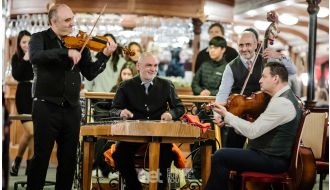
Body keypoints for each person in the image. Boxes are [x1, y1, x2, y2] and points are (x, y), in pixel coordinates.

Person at [27, 4, 117, 190]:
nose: (72, 24)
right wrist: (65, 52)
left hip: (72, 109)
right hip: (46, 106)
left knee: (69, 159)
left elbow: (90, 72)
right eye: (67, 20)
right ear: (53, 21)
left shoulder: (79, 43)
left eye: (72, 19)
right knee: (41, 157)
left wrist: (104, 56)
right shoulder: (39, 38)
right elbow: (36, 57)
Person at [205, 62, 303, 190]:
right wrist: (228, 120)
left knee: (220, 156)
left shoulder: (282, 103)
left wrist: (227, 115)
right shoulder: (282, 98)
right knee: (224, 155)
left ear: (275, 78)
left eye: (264, 76)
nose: (260, 80)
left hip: (273, 160)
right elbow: (256, 127)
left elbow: (252, 131)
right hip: (268, 155)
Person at [109, 52, 185, 190]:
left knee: (166, 156)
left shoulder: (167, 85)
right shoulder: (125, 86)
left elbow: (180, 108)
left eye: (155, 65)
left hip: (159, 136)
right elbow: (113, 109)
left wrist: (170, 113)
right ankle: (134, 187)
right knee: (120, 155)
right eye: (149, 65)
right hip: (132, 135)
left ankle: (159, 188)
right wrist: (120, 112)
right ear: (138, 66)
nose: (153, 69)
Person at [215, 30, 297, 148]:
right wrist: (218, 114)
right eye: (241, 45)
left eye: (248, 44)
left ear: (256, 44)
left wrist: (279, 56)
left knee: (260, 150)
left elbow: (292, 71)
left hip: (264, 113)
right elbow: (223, 92)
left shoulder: (267, 60)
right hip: (240, 113)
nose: (244, 49)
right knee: (231, 149)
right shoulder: (231, 67)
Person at [10, 30, 34, 176]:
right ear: (19, 44)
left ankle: (29, 167)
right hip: (23, 95)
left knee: (34, 133)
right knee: (32, 131)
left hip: (37, 95)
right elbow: (17, 75)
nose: (27, 45)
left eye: (29, 42)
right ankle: (19, 160)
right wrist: (25, 58)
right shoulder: (16, 57)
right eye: (24, 42)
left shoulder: (37, 55)